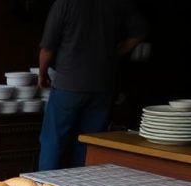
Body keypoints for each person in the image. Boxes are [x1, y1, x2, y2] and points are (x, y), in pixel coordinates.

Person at [37, 0, 146, 171]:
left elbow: (47, 48)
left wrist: (42, 73)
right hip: (102, 85)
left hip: (68, 83)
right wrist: (115, 54)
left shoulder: (64, 3)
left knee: (54, 140)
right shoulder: (120, 3)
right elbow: (138, 34)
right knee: (88, 143)